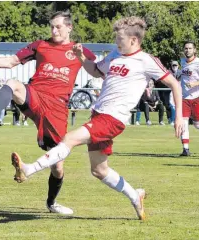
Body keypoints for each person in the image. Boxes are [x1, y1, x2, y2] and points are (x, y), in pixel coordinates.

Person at [10, 16, 184, 220]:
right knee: (99, 170)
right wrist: (81, 56)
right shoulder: (114, 55)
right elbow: (94, 70)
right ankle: (135, 196)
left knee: (68, 139)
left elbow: (175, 84)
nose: (116, 42)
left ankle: (29, 169)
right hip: (99, 114)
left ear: (134, 40)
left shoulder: (146, 60)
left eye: (120, 39)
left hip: (113, 119)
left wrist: (179, 116)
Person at [0, 11, 96, 215]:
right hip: (36, 95)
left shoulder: (79, 50)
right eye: (51, 26)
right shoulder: (40, 45)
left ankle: (51, 203)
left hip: (57, 109)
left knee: (57, 166)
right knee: (12, 83)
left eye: (58, 26)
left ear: (69, 28)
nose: (53, 30)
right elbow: (12, 61)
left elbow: (97, 70)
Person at [179, 41, 199, 156]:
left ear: (194, 50)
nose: (188, 50)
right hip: (184, 97)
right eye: (186, 48)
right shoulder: (182, 61)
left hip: (197, 97)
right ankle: (185, 149)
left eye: (190, 48)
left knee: (197, 123)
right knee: (184, 122)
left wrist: (195, 84)